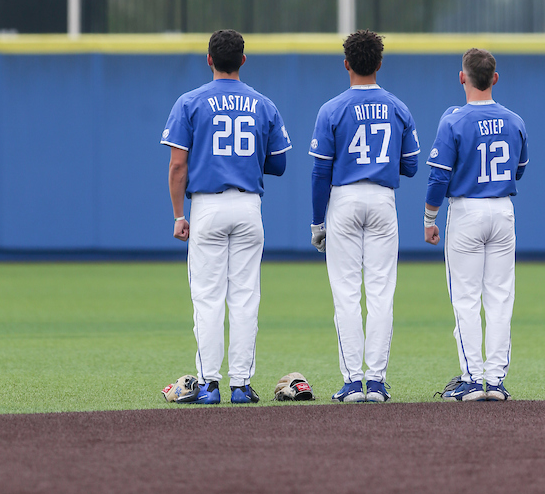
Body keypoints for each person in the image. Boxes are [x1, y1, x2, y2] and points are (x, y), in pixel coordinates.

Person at [161, 29, 291, 405]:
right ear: (243, 61)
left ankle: (209, 385)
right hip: (249, 205)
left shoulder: (190, 102)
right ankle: (241, 385)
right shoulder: (263, 104)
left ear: (209, 59)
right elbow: (279, 164)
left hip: (207, 206)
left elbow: (177, 166)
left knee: (207, 298)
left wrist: (177, 215)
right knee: (245, 298)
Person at [309, 30, 420, 403]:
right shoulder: (398, 107)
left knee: (346, 295)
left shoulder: (331, 108)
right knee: (380, 294)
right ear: (380, 63)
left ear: (346, 64)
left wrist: (317, 222)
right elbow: (411, 166)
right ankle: (377, 382)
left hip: (344, 198)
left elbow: (320, 172)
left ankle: (353, 382)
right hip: (383, 200)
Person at [424, 48, 528, 401]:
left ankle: (472, 380)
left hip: (467, 210)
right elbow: (520, 169)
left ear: (462, 77)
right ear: (494, 78)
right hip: (502, 209)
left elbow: (438, 178)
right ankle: (495, 382)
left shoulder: (453, 120)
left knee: (466, 299)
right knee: (500, 299)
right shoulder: (514, 120)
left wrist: (429, 218)